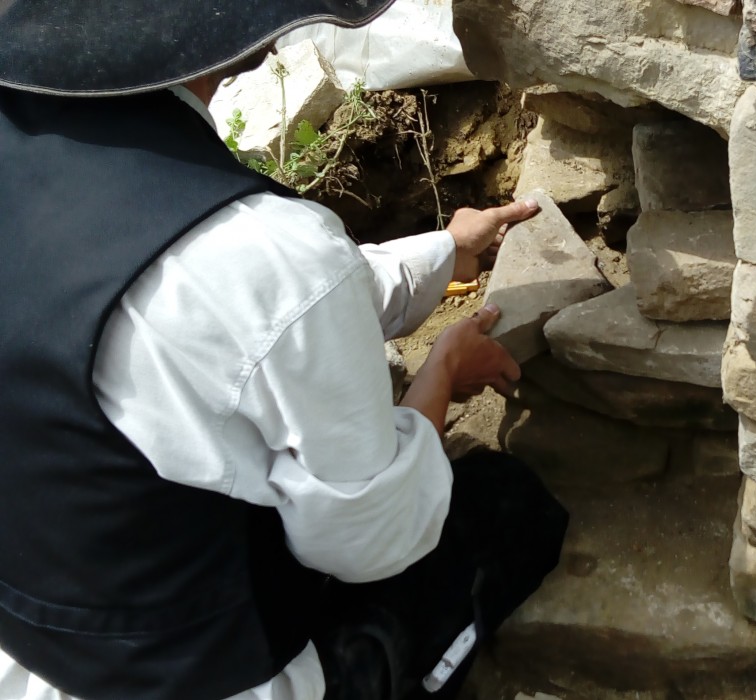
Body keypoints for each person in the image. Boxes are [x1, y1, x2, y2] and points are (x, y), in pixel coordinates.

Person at [0, 3, 569, 700]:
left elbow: (269, 311)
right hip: (218, 678)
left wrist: (445, 249)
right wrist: (442, 373)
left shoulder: (29, 154)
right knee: (507, 508)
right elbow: (378, 542)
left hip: (40, 646)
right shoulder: (262, 253)